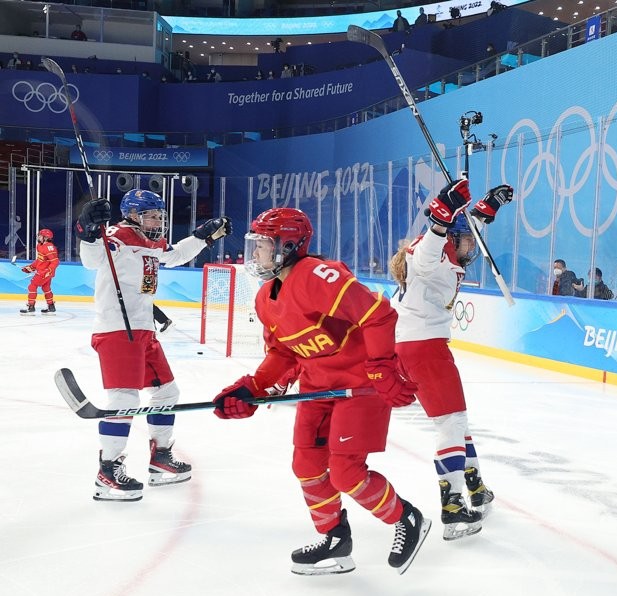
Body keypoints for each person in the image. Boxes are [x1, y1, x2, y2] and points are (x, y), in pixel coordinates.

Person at [212, 208, 431, 575]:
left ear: (289, 245)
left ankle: (406, 518)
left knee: (346, 472)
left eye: (264, 245)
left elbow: (378, 314)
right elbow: (283, 353)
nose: (256, 254)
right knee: (308, 464)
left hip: (358, 384)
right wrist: (253, 387)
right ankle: (335, 540)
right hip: (317, 387)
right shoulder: (266, 297)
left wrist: (380, 367)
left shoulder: (316, 275)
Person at [75, 190, 231, 501]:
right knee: (123, 398)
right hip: (118, 330)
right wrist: (87, 228)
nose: (158, 220)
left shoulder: (152, 242)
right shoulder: (115, 235)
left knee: (167, 392)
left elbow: (173, 255)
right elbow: (92, 260)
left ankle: (161, 459)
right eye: (151, 215)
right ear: (132, 214)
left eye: (160, 215)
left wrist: (203, 236)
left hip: (144, 330)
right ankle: (107, 472)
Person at [389, 179, 512, 540]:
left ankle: (474, 486)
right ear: (450, 239)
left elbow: (464, 228)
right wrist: (441, 215)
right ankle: (454, 506)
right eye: (466, 239)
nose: (472, 245)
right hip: (425, 347)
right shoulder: (430, 252)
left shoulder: (445, 249)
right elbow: (432, 244)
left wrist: (488, 208)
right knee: (451, 423)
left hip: (415, 346)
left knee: (457, 421)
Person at [19, 228, 59, 314]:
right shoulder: (40, 246)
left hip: (45, 272)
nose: (38, 237)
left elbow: (55, 261)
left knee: (32, 286)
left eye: (40, 236)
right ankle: (51, 306)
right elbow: (39, 260)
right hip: (43, 272)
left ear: (45, 238)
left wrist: (48, 271)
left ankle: (31, 306)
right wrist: (30, 267)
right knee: (46, 288)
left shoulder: (49, 247)